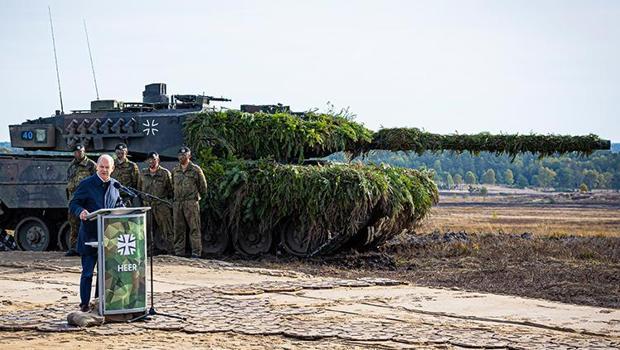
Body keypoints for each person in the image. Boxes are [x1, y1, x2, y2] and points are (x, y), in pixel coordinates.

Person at [69, 154, 124, 312]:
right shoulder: (86, 184)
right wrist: (81, 211)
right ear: (97, 167)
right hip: (89, 236)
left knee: (104, 273)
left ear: (112, 169)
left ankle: (100, 303)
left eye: (108, 168)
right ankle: (84, 304)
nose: (104, 170)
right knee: (87, 273)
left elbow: (118, 203)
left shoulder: (115, 186)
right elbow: (74, 203)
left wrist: (123, 210)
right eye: (102, 167)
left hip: (108, 237)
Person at [172, 146, 207, 258]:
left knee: (194, 228)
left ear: (189, 156)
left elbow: (203, 187)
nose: (182, 157)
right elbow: (172, 186)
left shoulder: (196, 169)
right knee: (178, 228)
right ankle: (179, 252)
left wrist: (197, 198)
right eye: (180, 155)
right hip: (178, 203)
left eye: (184, 155)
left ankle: (196, 253)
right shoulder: (175, 170)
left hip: (191, 202)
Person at [65, 144, 96, 256]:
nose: (78, 154)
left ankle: (87, 247)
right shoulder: (71, 165)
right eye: (76, 152)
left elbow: (96, 181)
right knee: (73, 223)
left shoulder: (91, 165)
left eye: (80, 152)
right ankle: (73, 248)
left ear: (84, 152)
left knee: (87, 223)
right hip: (74, 198)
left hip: (86, 199)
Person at [140, 151, 174, 254]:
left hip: (161, 205)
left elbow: (171, 189)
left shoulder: (164, 173)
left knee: (167, 229)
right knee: (148, 229)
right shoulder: (143, 173)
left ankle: (171, 250)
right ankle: (150, 250)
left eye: (154, 159)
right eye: (150, 159)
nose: (152, 161)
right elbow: (139, 187)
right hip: (147, 205)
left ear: (158, 160)